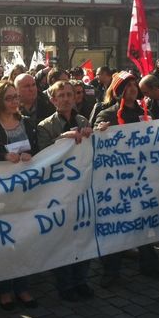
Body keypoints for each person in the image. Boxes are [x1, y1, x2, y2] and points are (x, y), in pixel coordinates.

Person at [93, 71, 159, 287]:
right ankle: (111, 271)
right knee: (116, 224)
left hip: (141, 177)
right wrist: (100, 131)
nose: (133, 88)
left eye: (135, 84)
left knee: (142, 219)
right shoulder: (108, 114)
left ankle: (149, 264)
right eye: (128, 85)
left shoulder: (146, 112)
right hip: (117, 180)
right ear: (118, 90)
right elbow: (96, 139)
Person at [0, 81, 39, 310]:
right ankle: (4, 290)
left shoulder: (28, 124)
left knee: (24, 239)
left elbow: (38, 150)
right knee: (5, 242)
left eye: (16, 97)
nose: (15, 101)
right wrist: (1, 157)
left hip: (25, 191)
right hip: (2, 194)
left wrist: (29, 155)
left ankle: (22, 287)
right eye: (9, 98)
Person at [37, 81, 94, 301]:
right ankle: (65, 284)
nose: (66, 98)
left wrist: (98, 133)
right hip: (57, 191)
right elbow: (42, 155)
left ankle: (81, 280)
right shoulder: (45, 125)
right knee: (61, 238)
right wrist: (61, 139)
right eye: (61, 95)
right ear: (52, 100)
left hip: (80, 188)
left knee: (83, 234)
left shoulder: (82, 120)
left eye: (69, 94)